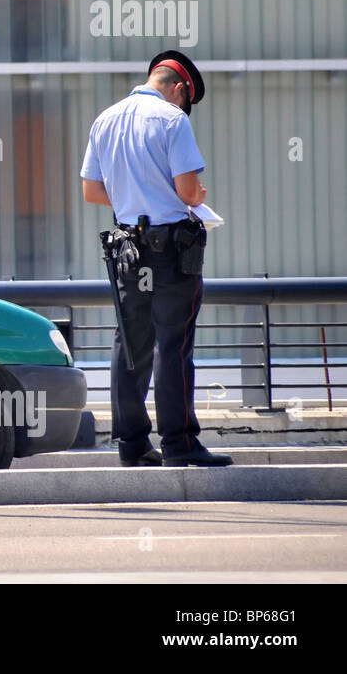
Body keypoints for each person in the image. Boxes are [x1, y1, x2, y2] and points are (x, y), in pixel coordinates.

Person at [80, 49, 232, 467]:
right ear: (180, 89)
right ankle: (180, 445)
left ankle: (132, 446)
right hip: (170, 254)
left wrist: (134, 195)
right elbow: (188, 191)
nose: (184, 105)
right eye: (186, 98)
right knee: (174, 344)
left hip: (128, 250)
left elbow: (92, 191)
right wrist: (196, 196)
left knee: (130, 345)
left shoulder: (105, 118)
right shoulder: (171, 119)